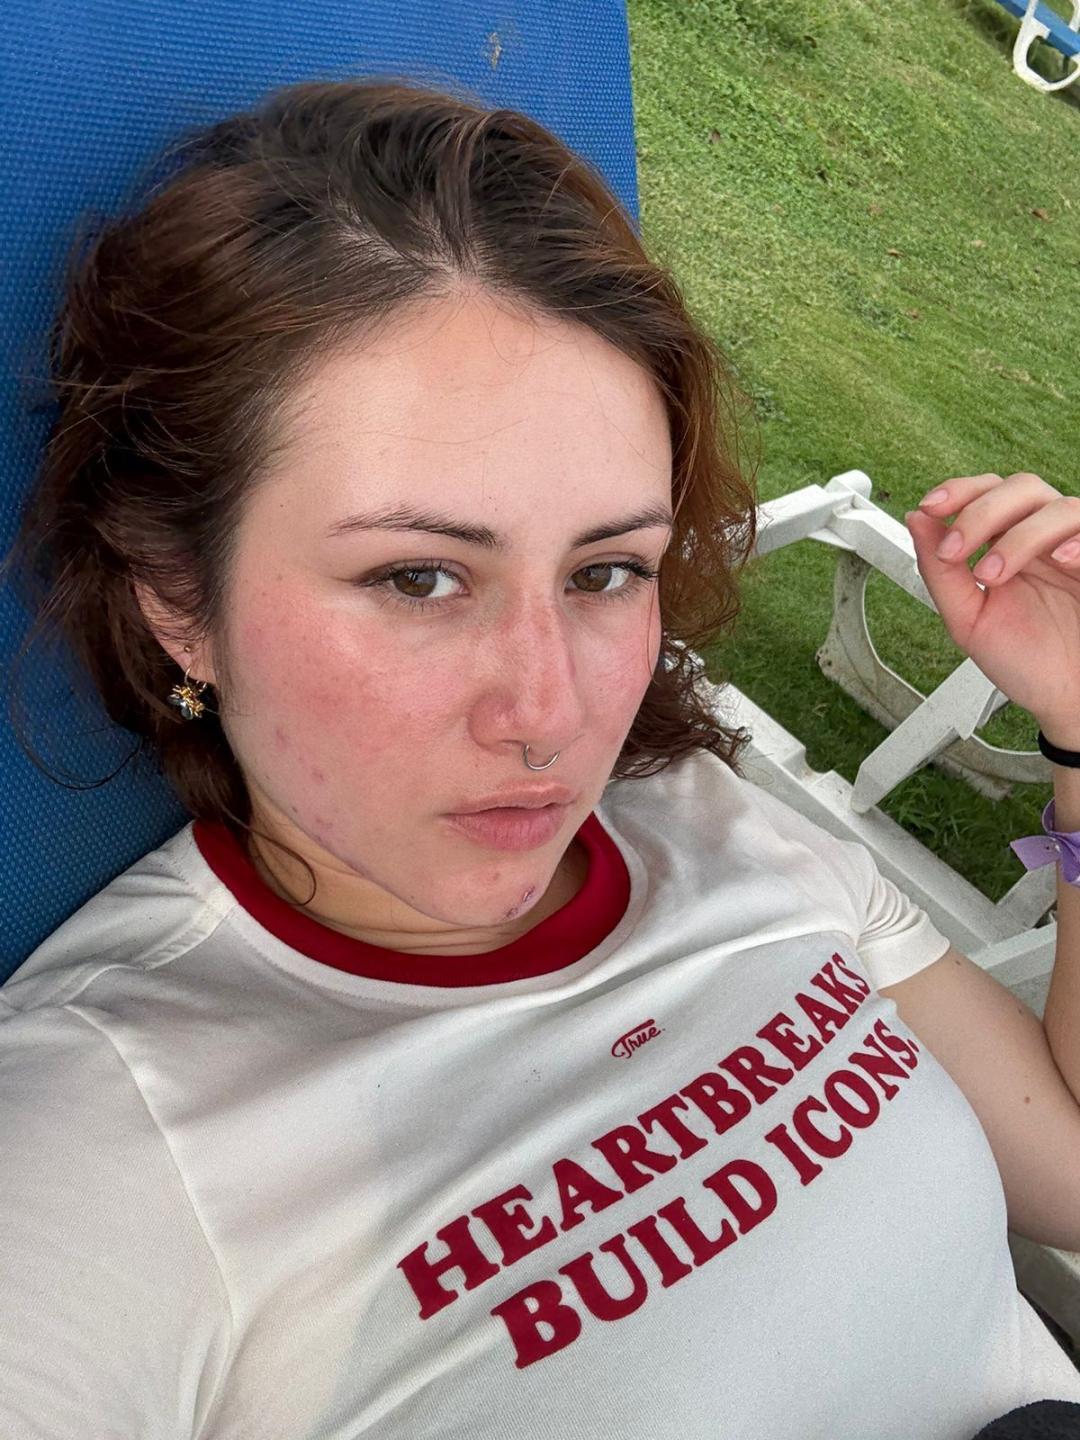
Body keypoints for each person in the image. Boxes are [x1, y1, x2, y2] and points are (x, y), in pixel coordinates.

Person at [2, 76, 1080, 1440]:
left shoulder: (703, 814)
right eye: (417, 578)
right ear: (176, 597)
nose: (553, 710)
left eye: (606, 570)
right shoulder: (99, 1142)